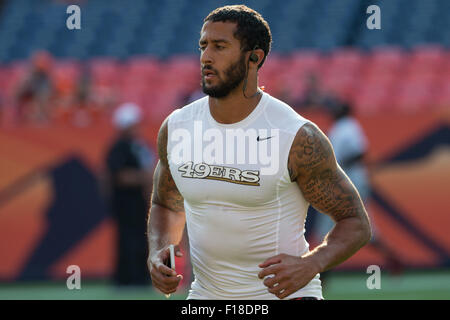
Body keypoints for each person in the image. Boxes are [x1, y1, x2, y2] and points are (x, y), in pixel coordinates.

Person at [147, 5, 371, 300]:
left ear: (254, 57)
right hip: (204, 298)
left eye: (220, 46)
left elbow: (356, 222)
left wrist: (311, 263)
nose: (206, 57)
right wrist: (159, 250)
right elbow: (166, 204)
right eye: (203, 46)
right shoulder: (177, 127)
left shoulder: (295, 135)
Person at [314, 102, 404, 286]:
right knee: (362, 228)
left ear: (346, 110)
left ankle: (323, 276)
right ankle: (394, 258)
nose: (332, 109)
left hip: (348, 184)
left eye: (336, 107)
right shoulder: (341, 127)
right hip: (347, 183)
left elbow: (359, 152)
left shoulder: (348, 126)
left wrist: (336, 165)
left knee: (328, 229)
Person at [106, 102, 155, 287]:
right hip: (125, 202)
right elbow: (119, 175)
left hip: (140, 201)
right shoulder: (118, 148)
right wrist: (144, 178)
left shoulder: (140, 146)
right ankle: (127, 278)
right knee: (128, 239)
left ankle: (142, 276)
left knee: (142, 239)